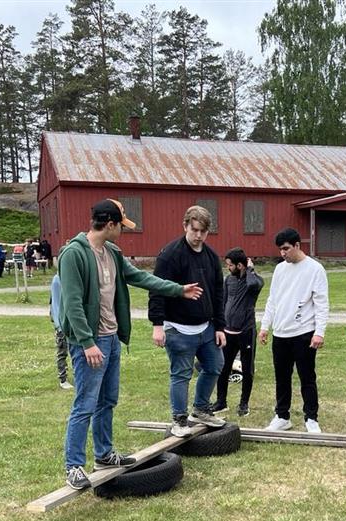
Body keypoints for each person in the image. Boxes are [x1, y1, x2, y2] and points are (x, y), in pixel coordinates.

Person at [58, 199, 203, 490]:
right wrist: (87, 343)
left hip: (110, 339)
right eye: (121, 226)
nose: (123, 231)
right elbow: (72, 303)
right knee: (85, 404)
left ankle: (104, 455)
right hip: (90, 341)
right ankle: (73, 466)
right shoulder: (73, 254)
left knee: (107, 400)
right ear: (109, 224)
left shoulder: (112, 251)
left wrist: (178, 290)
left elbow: (140, 277)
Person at [149, 205, 227, 437]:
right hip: (178, 328)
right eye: (194, 230)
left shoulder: (212, 257)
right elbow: (156, 289)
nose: (198, 235)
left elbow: (218, 292)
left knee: (215, 366)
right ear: (185, 226)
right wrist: (157, 325)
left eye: (203, 231)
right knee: (181, 374)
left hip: (206, 327)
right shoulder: (170, 254)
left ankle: (201, 409)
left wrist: (219, 326)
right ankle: (179, 419)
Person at [259, 227, 329, 433]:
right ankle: (282, 416)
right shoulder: (280, 269)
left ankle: (311, 418)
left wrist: (319, 332)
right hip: (280, 333)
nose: (283, 253)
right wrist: (265, 326)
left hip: (304, 333)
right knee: (282, 377)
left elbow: (321, 303)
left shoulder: (315, 269)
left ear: (298, 245)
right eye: (280, 250)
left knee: (307, 377)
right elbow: (273, 299)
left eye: (286, 249)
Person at [211, 248, 264, 417]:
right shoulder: (228, 281)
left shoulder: (255, 280)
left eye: (230, 265)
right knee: (223, 367)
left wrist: (249, 269)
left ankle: (244, 404)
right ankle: (221, 402)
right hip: (228, 332)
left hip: (246, 332)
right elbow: (223, 302)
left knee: (247, 369)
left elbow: (253, 284)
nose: (228, 268)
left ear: (240, 265)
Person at [49, 271, 72, 390]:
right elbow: (56, 303)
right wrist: (59, 324)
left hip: (69, 320)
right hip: (62, 323)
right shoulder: (58, 279)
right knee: (62, 350)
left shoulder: (67, 277)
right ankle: (63, 379)